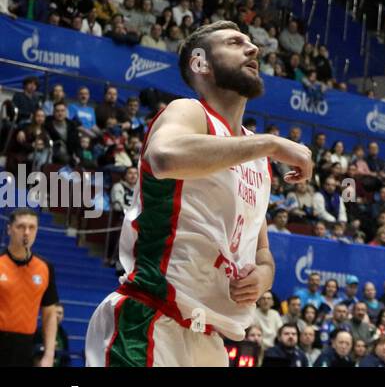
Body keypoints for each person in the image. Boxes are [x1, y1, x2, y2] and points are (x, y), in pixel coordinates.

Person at [83, 21, 314, 367]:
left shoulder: (254, 160)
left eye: (251, 43)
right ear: (200, 63)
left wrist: (262, 278)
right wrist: (268, 142)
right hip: (150, 322)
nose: (253, 49)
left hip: (207, 341)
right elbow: (163, 157)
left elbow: (261, 251)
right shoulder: (190, 112)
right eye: (236, 43)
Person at [0, 209, 60, 366]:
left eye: (32, 227)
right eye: (21, 227)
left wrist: (48, 354)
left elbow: (49, 315)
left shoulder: (45, 268)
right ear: (9, 229)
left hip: (26, 347)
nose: (26, 232)